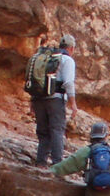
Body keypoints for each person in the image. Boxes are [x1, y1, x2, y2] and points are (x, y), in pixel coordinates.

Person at [33, 34, 79, 166]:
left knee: (43, 131)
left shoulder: (47, 57)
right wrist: (73, 104)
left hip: (38, 98)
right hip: (56, 99)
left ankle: (41, 162)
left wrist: (32, 100)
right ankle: (57, 164)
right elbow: (68, 83)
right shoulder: (67, 60)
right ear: (71, 48)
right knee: (57, 130)